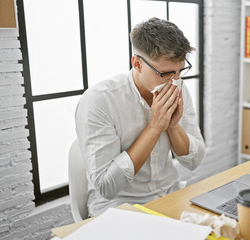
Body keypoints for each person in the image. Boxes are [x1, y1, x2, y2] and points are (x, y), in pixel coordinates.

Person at [75, 17, 205, 217]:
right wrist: (155, 127)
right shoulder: (100, 100)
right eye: (166, 73)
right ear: (137, 63)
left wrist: (172, 126)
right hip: (120, 206)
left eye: (180, 71)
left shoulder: (177, 85)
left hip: (170, 194)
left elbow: (194, 161)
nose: (175, 81)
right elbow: (106, 187)